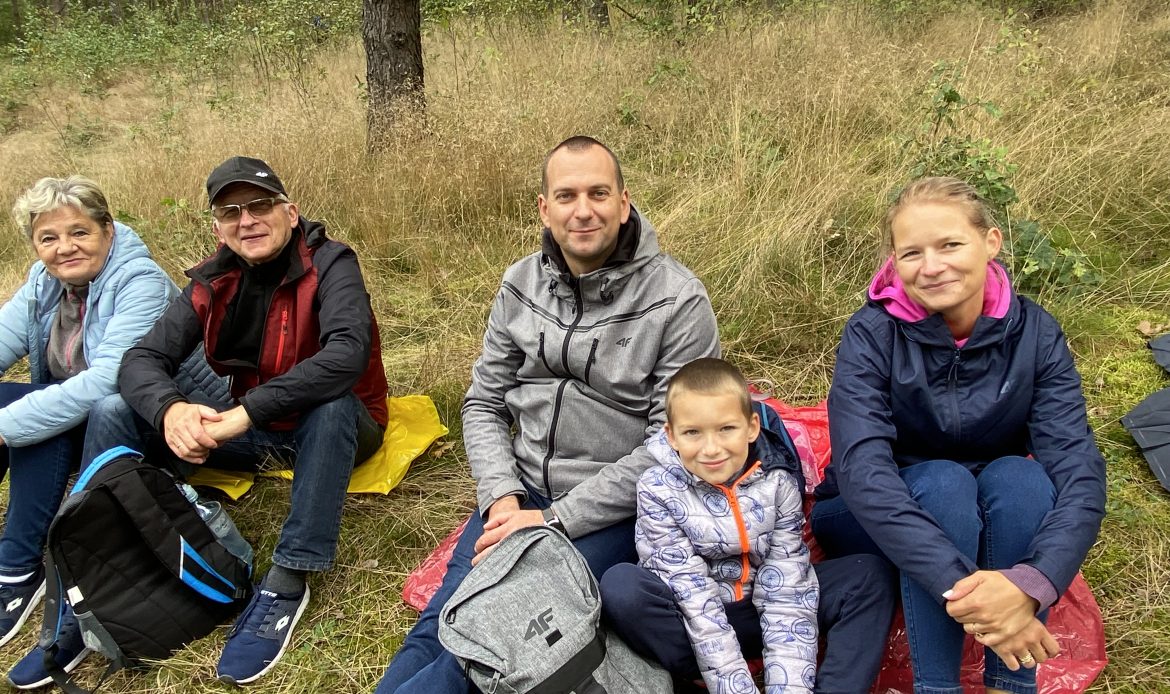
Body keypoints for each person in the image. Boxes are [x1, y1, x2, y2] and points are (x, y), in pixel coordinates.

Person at [376, 135, 721, 694]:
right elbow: (484, 402)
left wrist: (553, 520)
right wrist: (502, 496)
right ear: (544, 208)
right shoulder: (520, 284)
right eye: (566, 195)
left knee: (492, 640)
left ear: (624, 203)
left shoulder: (677, 300)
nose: (583, 210)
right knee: (441, 622)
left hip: (608, 512)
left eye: (598, 193)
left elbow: (674, 447)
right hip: (521, 491)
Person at [67, 156, 389, 686]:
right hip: (257, 433)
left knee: (329, 405)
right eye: (230, 212)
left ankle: (289, 577)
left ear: (290, 212)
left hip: (341, 429)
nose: (247, 220)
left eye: (260, 205)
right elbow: (141, 360)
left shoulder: (331, 263)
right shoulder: (213, 280)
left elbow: (345, 356)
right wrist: (172, 410)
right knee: (112, 408)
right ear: (218, 227)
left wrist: (242, 414)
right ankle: (94, 562)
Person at [811, 176, 1107, 694]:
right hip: (869, 517)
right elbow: (864, 474)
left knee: (1023, 480)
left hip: (988, 508)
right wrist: (984, 600)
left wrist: (1031, 586)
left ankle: (1009, 685)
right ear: (895, 261)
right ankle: (937, 687)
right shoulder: (871, 333)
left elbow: (1079, 474)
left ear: (990, 243)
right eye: (912, 253)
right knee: (944, 484)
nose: (931, 266)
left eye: (949, 244)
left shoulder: (1035, 334)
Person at [600, 358, 895, 694]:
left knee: (868, 576)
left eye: (726, 429)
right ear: (671, 436)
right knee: (622, 587)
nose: (712, 448)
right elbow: (693, 597)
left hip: (758, 607)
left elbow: (787, 589)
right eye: (693, 432)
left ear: (752, 427)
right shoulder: (656, 488)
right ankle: (692, 680)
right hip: (692, 621)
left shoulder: (777, 482)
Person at [0, 176, 176, 686]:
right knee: (26, 404)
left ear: (107, 229)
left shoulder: (140, 282)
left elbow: (104, 383)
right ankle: (17, 566)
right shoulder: (44, 281)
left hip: (150, 431)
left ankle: (21, 571)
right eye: (48, 237)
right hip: (83, 417)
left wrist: (5, 428)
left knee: (49, 413)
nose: (64, 247)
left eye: (79, 232)